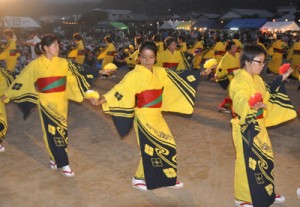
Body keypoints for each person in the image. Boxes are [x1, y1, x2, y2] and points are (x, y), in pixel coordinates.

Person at [89, 41, 214, 191]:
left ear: (156, 58)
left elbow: (180, 76)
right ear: (139, 58)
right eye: (144, 57)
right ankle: (138, 178)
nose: (147, 61)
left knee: (169, 145)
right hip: (143, 116)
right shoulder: (133, 75)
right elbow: (119, 90)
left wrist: (201, 73)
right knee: (150, 148)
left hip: (157, 115)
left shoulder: (160, 72)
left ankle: (169, 178)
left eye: (151, 57)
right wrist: (100, 100)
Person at [0, 34, 90, 177]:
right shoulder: (35, 64)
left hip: (61, 102)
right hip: (46, 103)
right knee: (53, 132)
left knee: (62, 132)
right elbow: (23, 79)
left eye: (57, 44)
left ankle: (53, 158)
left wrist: (98, 72)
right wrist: (8, 94)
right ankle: (64, 164)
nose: (57, 47)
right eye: (54, 45)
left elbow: (79, 72)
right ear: (45, 48)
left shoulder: (64, 62)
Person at [229, 45, 297, 207]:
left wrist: (281, 78)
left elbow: (267, 92)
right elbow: (239, 100)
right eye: (259, 62)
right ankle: (242, 197)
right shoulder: (239, 81)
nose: (262, 65)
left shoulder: (257, 79)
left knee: (265, 158)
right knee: (245, 163)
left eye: (263, 62)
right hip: (245, 126)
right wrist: (250, 105)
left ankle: (266, 191)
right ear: (246, 61)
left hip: (259, 125)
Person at [215, 41, 239, 113]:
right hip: (230, 79)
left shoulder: (238, 55)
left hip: (237, 77)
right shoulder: (225, 58)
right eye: (233, 47)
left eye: (236, 46)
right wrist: (232, 72)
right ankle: (222, 106)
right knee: (233, 94)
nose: (236, 48)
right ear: (229, 49)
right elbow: (220, 70)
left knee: (235, 94)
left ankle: (229, 107)